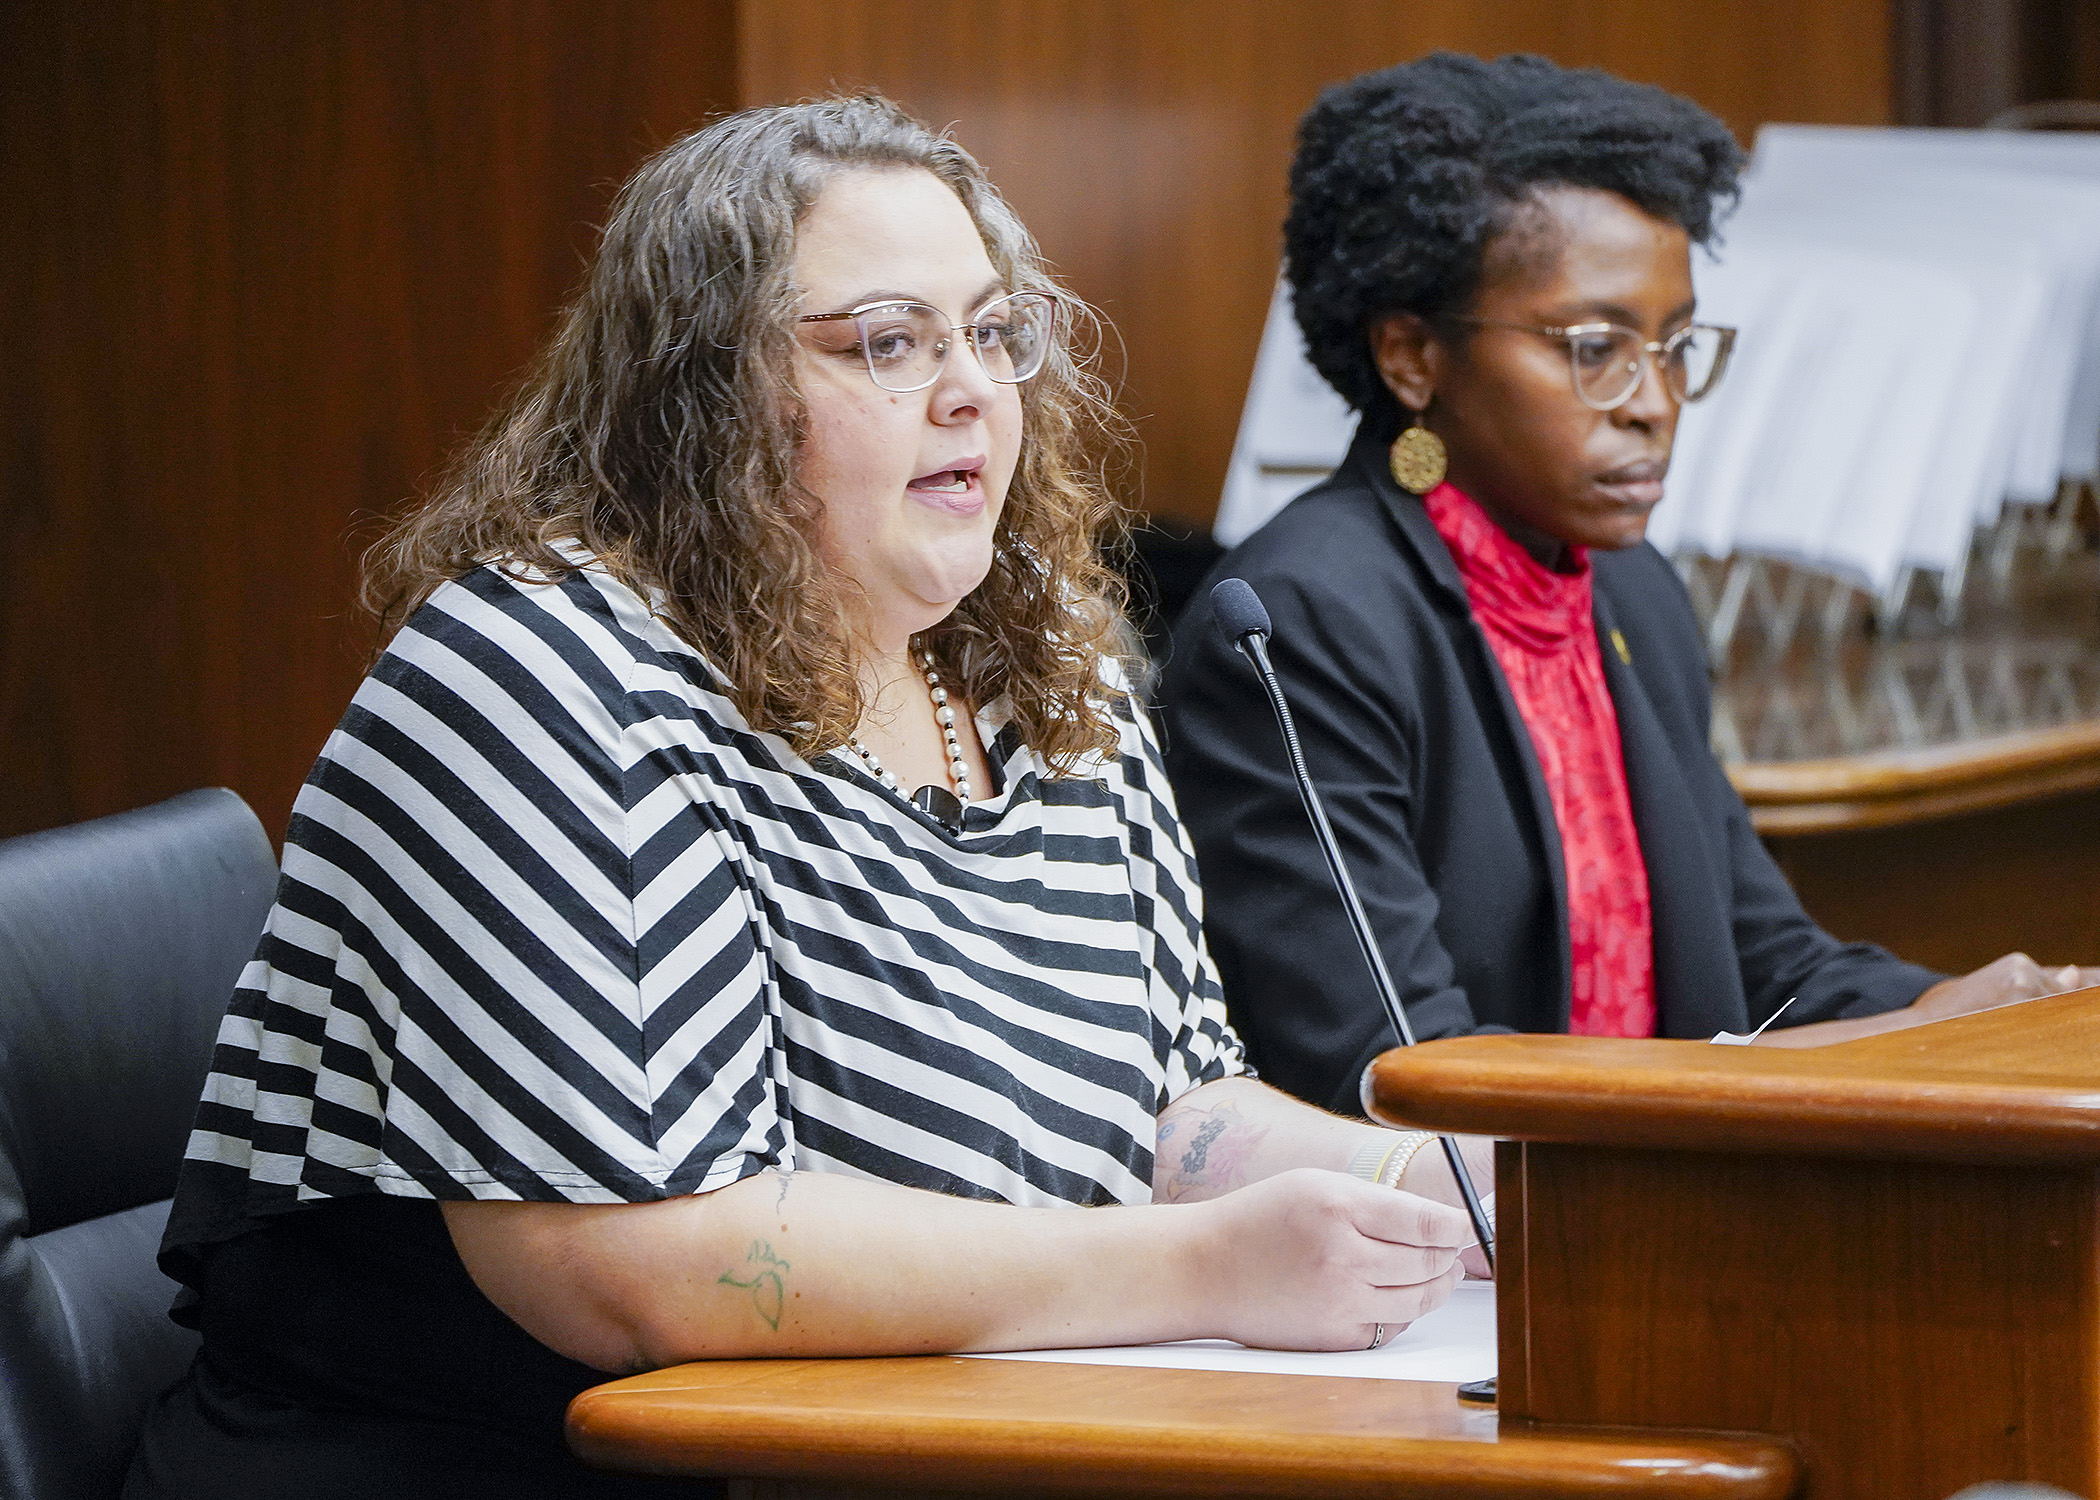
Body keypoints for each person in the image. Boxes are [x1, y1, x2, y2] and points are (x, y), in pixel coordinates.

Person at [125, 97, 1485, 1500]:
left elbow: (1178, 1111)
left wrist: (1476, 1193)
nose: (969, 389)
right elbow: (639, 1263)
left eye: (992, 332)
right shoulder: (540, 666)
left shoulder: (1042, 670)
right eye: (891, 342)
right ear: (701, 392)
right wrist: (1203, 1268)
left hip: (914, 1449)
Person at [1161, 54, 2100, 1116]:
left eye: (1676, 345)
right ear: (1410, 356)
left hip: (1642, 1217)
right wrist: (1818, 1059)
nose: (1655, 401)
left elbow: (1768, 969)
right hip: (1432, 1255)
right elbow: (1402, 1071)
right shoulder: (1305, 626)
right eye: (1597, 349)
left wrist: (1981, 1010)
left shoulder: (1627, 591)